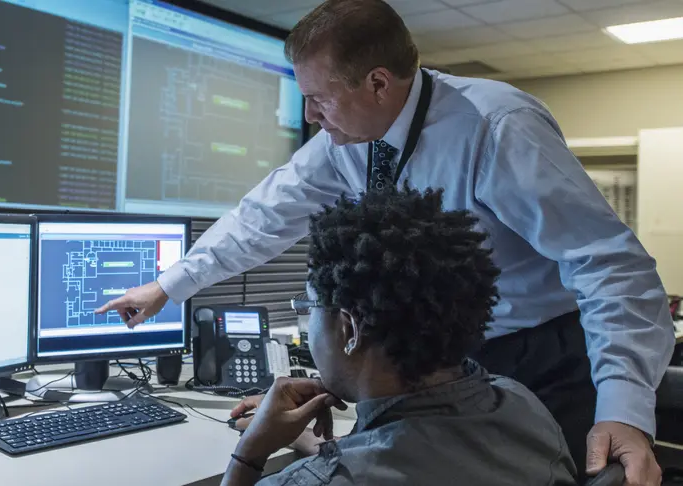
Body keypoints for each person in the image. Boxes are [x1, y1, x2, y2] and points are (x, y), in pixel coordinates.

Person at [98, 0, 674, 484]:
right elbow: (266, 214)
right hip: (443, 363)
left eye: (319, 97)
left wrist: (625, 407)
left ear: (378, 82)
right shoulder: (347, 138)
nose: (309, 114)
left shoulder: (497, 128)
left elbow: (607, 263)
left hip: (537, 357)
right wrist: (168, 286)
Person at [220, 185, 577, 485]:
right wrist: (314, 438)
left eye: (308, 307)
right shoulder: (520, 403)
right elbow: (427, 454)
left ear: (349, 328)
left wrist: (251, 452)